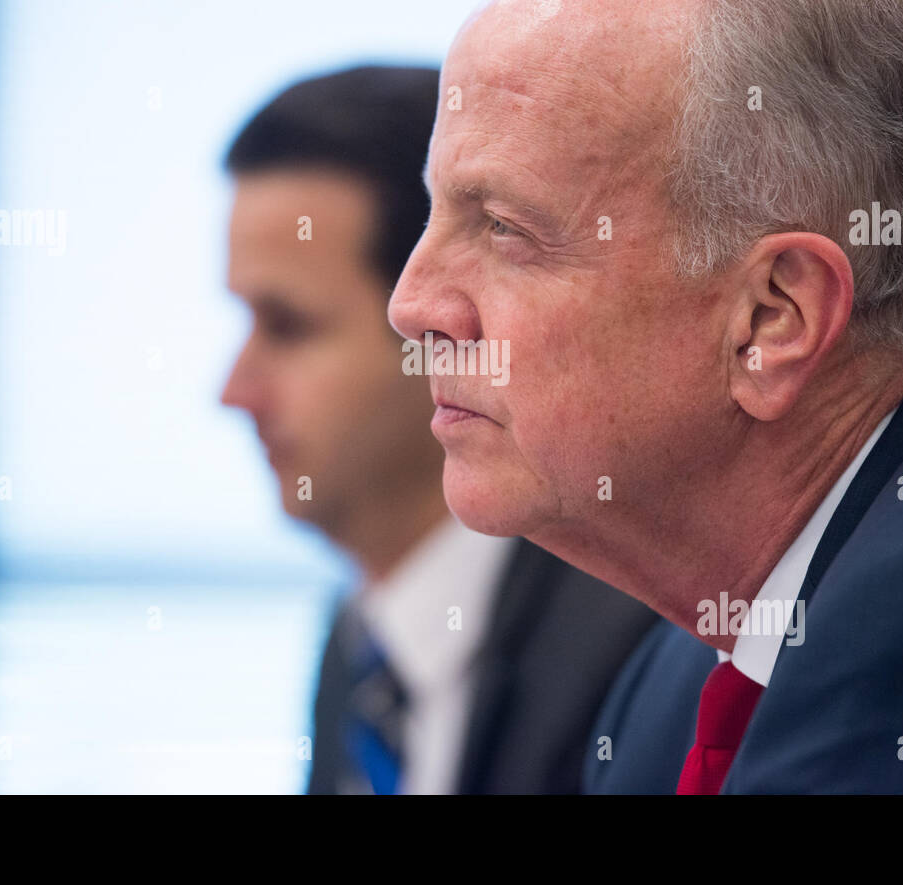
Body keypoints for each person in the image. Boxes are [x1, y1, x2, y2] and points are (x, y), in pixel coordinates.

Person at [386, 0, 903, 793]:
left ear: (774, 317)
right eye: (436, 215)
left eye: (504, 227)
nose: (412, 305)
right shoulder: (674, 683)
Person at [220, 65, 658, 794]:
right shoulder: (361, 644)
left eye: (288, 325)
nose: (234, 391)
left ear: (440, 328)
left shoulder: (635, 656)